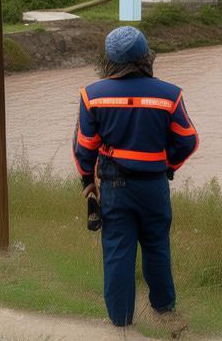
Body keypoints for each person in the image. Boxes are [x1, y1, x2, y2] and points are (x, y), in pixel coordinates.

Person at [73, 27, 198, 330]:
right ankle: (165, 312)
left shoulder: (92, 96)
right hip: (154, 186)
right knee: (157, 246)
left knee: (118, 250)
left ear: (109, 60)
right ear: (146, 57)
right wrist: (167, 164)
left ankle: (121, 322)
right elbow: (188, 140)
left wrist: (88, 181)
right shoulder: (170, 95)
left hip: (115, 187)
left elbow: (84, 146)